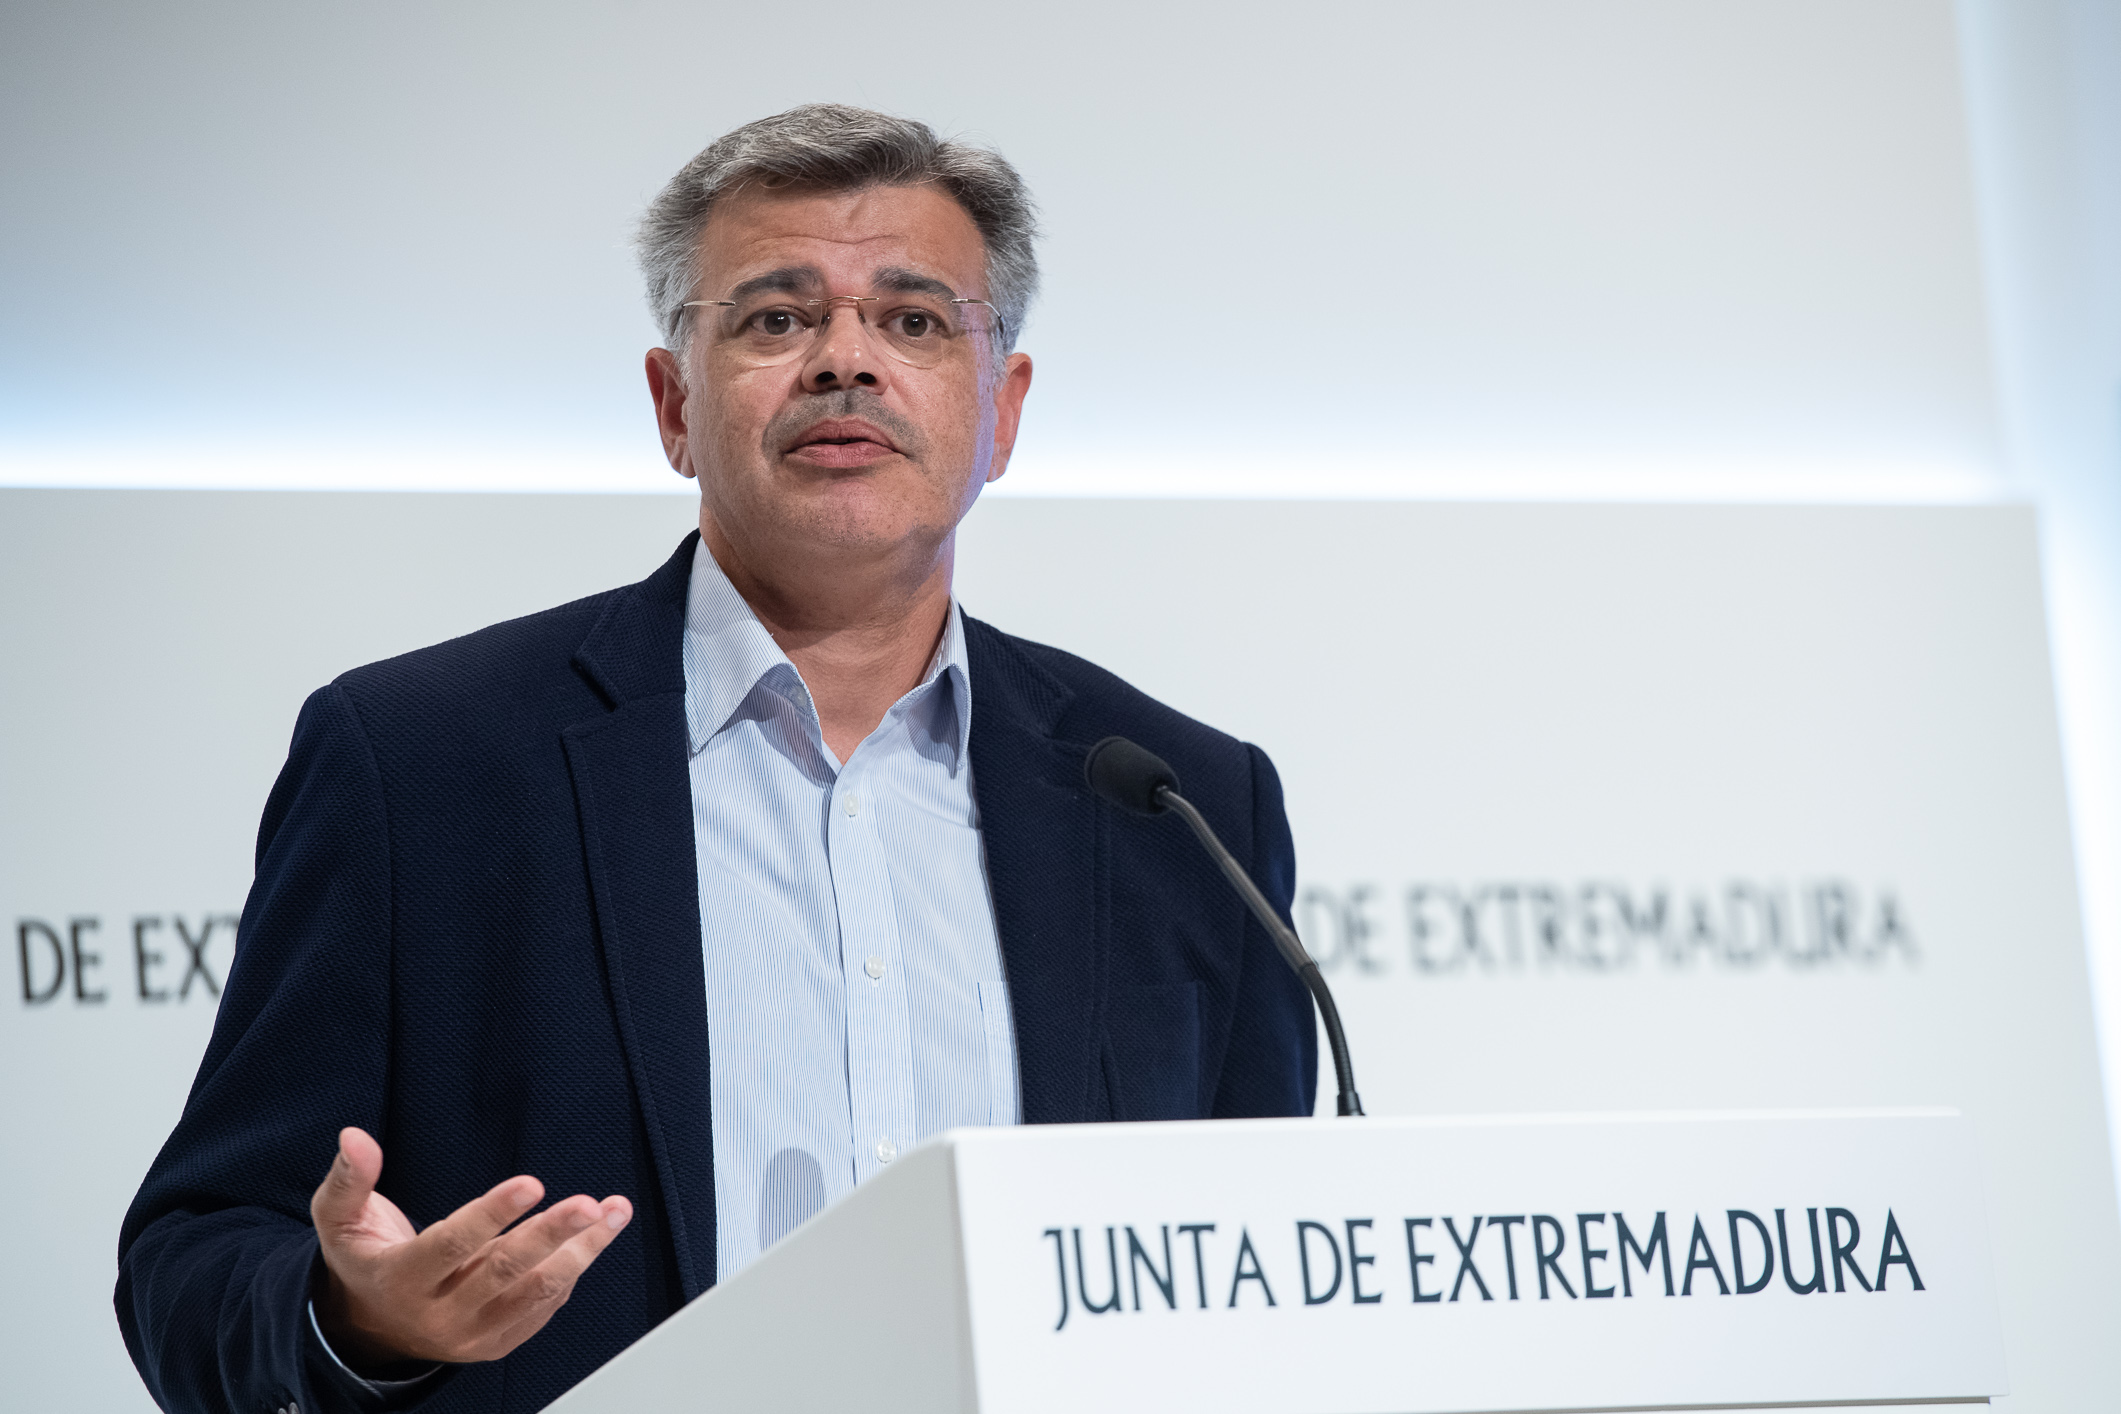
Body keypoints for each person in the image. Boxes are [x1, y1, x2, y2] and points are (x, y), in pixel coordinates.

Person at [116, 104, 1314, 1414]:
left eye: (914, 320)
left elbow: (1254, 1290)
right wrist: (357, 1319)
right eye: (775, 318)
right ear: (673, 403)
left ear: (1003, 409)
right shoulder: (421, 764)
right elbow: (195, 1254)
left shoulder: (1180, 804)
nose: (844, 360)